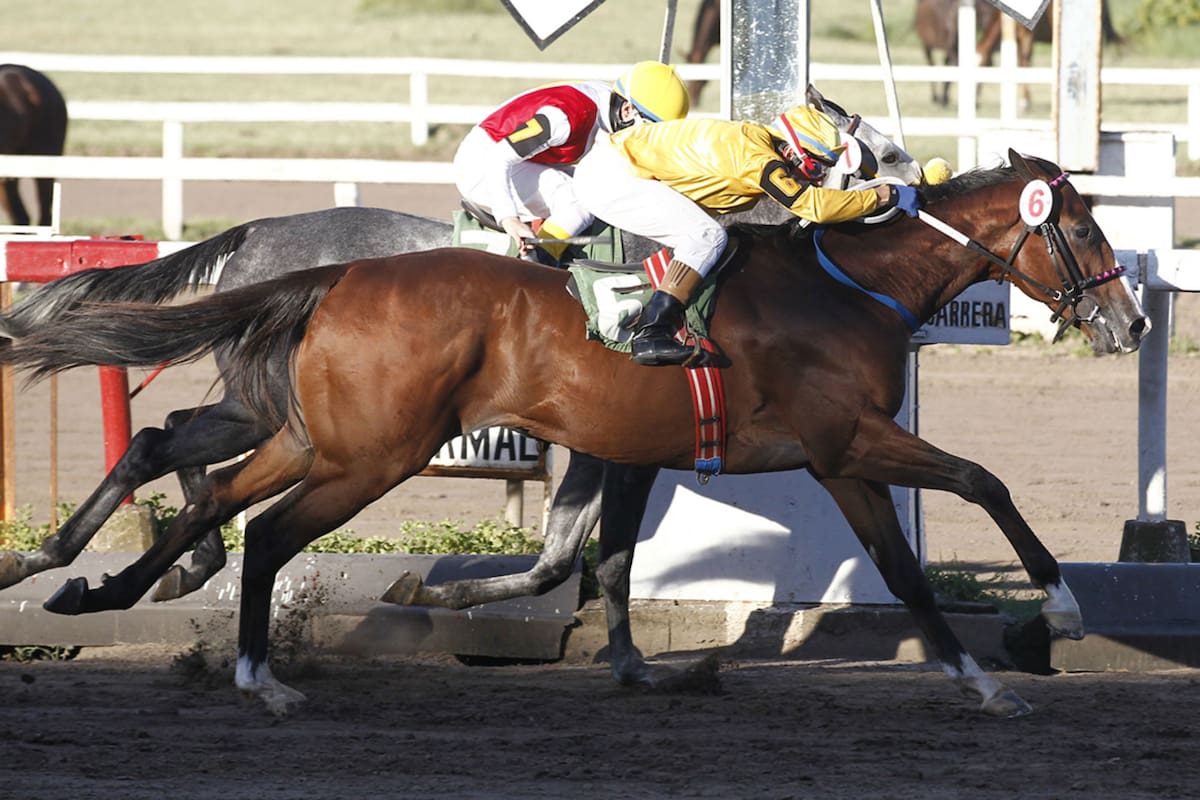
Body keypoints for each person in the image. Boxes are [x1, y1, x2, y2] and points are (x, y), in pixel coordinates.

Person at [571, 104, 923, 366]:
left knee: (700, 238)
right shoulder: (757, 158)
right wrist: (884, 195)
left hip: (615, 167)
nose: (817, 177)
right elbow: (813, 206)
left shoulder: (757, 144)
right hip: (611, 174)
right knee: (707, 237)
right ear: (789, 149)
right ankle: (652, 332)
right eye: (815, 166)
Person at [452, 61, 690, 265]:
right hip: (482, 164)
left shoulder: (610, 106)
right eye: (651, 131)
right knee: (581, 199)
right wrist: (509, 219)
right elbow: (498, 157)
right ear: (627, 110)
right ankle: (535, 264)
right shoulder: (567, 117)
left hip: (518, 158)